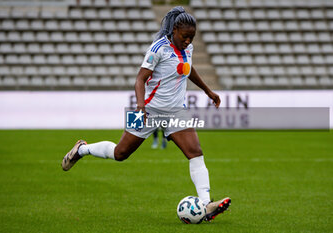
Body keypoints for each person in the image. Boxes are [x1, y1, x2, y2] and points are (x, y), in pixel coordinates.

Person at [62, 6, 231, 222]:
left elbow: (188, 68)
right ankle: (82, 149)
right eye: (185, 36)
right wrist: (140, 107)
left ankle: (206, 204)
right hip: (147, 108)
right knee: (120, 153)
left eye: (192, 37)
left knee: (195, 152)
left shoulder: (187, 48)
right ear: (175, 29)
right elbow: (140, 79)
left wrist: (208, 90)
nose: (189, 41)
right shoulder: (158, 48)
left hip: (176, 110)